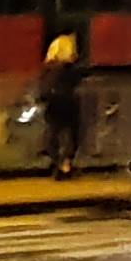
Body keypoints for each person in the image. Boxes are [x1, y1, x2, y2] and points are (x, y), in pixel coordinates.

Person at [38, 29, 84, 178]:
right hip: (66, 105)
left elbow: (43, 89)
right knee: (71, 136)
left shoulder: (48, 69)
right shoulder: (67, 70)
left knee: (53, 135)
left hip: (54, 106)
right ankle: (65, 163)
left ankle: (60, 163)